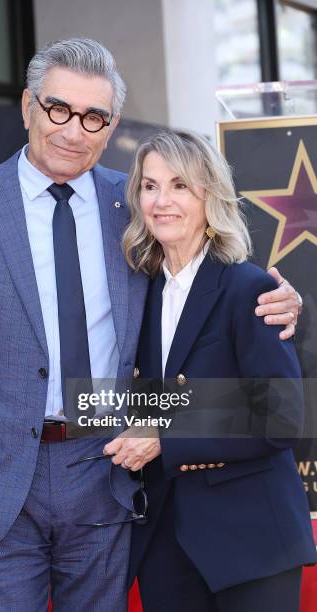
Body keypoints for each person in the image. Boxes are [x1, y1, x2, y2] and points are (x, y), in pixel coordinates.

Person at [0, 39, 301, 611]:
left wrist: (290, 303)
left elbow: (217, 279)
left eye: (93, 116)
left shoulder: (137, 204)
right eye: (57, 109)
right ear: (27, 107)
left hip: (107, 466)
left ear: (110, 123)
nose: (73, 130)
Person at [104, 130, 317, 612]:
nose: (162, 201)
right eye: (150, 186)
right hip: (166, 542)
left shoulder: (249, 286)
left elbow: (281, 418)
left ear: (210, 195)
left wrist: (166, 437)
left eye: (180, 186)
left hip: (251, 541)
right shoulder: (141, 292)